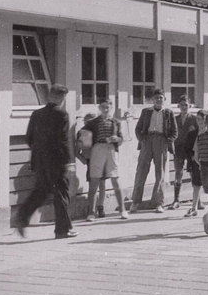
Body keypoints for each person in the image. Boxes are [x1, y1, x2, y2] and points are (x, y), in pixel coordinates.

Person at [14, 84, 77, 239]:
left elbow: (29, 138)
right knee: (61, 193)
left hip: (40, 160)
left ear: (49, 96)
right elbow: (63, 140)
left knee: (41, 191)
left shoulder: (37, 114)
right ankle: (62, 230)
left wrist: (39, 153)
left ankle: (21, 218)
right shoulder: (62, 114)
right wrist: (68, 161)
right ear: (62, 98)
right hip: (57, 160)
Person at [130, 88, 178, 213]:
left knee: (160, 172)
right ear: (152, 99)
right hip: (147, 141)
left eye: (161, 97)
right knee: (141, 170)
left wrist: (167, 142)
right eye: (156, 97)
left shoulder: (168, 113)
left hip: (161, 141)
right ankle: (135, 202)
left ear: (164, 99)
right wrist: (142, 140)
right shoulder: (146, 112)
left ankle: (158, 203)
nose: (158, 100)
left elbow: (174, 131)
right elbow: (138, 128)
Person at [83, 97, 128, 220]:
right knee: (94, 182)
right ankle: (91, 213)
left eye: (107, 107)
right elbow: (84, 135)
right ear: (99, 108)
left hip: (111, 150)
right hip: (98, 149)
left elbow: (121, 139)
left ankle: (122, 210)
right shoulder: (93, 122)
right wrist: (87, 147)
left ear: (111, 108)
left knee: (115, 180)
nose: (105, 109)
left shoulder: (115, 122)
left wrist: (116, 139)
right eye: (102, 107)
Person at [75, 113, 106, 215]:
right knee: (93, 186)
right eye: (87, 122)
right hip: (91, 161)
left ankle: (101, 207)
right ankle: (91, 210)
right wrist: (84, 160)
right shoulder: (82, 133)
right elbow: (76, 151)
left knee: (102, 184)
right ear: (84, 122)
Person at [171, 95, 198, 209]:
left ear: (190, 106)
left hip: (191, 149)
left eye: (186, 105)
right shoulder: (175, 119)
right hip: (178, 148)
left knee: (193, 173)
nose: (183, 107)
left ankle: (198, 200)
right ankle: (176, 199)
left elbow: (198, 133)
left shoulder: (194, 119)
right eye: (181, 105)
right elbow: (171, 133)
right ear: (178, 106)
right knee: (178, 172)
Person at [183, 109, 207, 217]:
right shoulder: (192, 134)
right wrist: (191, 157)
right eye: (198, 119)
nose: (200, 121)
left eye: (203, 119)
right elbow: (187, 148)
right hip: (196, 162)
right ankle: (194, 208)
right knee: (196, 185)